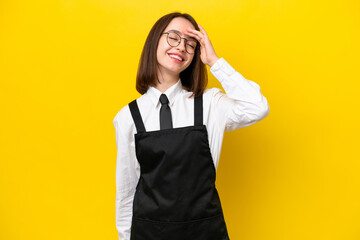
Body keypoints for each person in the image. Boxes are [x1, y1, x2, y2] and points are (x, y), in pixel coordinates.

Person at [113, 12, 270, 240]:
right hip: (150, 234)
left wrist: (215, 62)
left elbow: (257, 107)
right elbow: (126, 191)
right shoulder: (128, 116)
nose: (181, 47)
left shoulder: (210, 104)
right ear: (154, 40)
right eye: (173, 37)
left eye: (191, 44)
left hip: (204, 233)